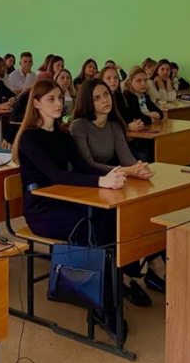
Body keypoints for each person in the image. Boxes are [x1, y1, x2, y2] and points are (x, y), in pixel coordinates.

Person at [13, 79, 128, 340]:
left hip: (64, 200)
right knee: (90, 226)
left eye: (60, 98)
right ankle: (103, 303)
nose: (58, 103)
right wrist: (101, 181)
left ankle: (108, 288)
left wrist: (116, 173)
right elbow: (56, 173)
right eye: (51, 99)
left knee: (109, 216)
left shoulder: (63, 135)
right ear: (36, 104)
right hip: (41, 210)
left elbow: (82, 167)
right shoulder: (30, 138)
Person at [70, 78, 166, 296]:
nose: (105, 100)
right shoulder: (79, 126)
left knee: (148, 206)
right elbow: (87, 165)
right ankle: (125, 274)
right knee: (122, 219)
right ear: (87, 102)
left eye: (106, 95)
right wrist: (127, 171)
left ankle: (154, 265)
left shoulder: (114, 126)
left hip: (110, 184)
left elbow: (127, 159)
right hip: (86, 188)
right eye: (97, 97)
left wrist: (139, 169)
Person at [100, 65, 142, 131]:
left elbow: (126, 116)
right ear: (101, 80)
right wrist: (127, 127)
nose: (113, 81)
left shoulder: (118, 95)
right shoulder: (100, 99)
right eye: (108, 78)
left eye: (116, 77)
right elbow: (105, 123)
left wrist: (135, 123)